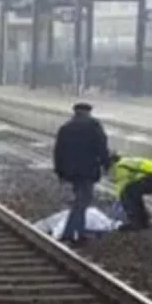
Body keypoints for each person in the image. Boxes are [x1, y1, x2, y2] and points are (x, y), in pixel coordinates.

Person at [53, 102, 111, 246]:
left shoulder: (65, 128)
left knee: (80, 200)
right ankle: (72, 233)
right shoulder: (94, 126)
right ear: (88, 112)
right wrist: (107, 164)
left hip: (70, 171)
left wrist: (60, 172)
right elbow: (101, 147)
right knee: (83, 201)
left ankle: (76, 232)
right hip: (87, 170)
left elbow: (58, 152)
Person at [110, 153, 152, 231]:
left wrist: (119, 200)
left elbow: (123, 185)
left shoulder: (120, 166)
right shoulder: (125, 162)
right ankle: (143, 222)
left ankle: (135, 223)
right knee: (134, 195)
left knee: (128, 194)